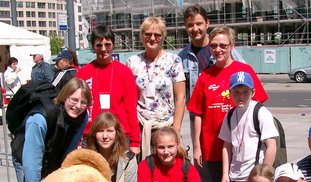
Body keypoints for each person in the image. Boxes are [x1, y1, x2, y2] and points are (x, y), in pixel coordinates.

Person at [187, 26, 268, 182]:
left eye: (223, 45)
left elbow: (260, 109)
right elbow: (197, 114)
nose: (218, 49)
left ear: (232, 46)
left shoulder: (245, 71)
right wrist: (198, 146)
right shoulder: (206, 76)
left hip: (243, 153)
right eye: (214, 45)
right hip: (212, 150)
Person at [178, 4, 245, 137]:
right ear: (185, 26)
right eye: (190, 25)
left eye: (199, 23)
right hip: (199, 117)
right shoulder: (182, 57)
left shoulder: (226, 50)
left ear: (207, 23)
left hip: (228, 112)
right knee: (202, 155)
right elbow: (180, 94)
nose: (195, 28)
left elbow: (244, 77)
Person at [219, 71, 278, 182]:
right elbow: (227, 145)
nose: (241, 96)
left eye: (245, 92)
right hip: (236, 178)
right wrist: (225, 173)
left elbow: (271, 145)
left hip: (254, 178)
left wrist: (263, 174)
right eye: (236, 92)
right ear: (230, 92)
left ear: (253, 92)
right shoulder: (230, 115)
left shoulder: (260, 112)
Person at [126, 17, 186, 159]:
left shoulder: (173, 61)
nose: (152, 38)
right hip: (142, 127)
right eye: (147, 34)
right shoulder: (132, 62)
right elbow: (129, 98)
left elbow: (181, 98)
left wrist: (175, 130)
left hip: (166, 127)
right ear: (141, 36)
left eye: (157, 35)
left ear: (163, 37)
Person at [77, 25, 140, 155]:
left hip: (120, 137)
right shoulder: (83, 73)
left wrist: (135, 142)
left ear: (113, 45)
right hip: (91, 137)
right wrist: (77, 140)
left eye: (107, 44)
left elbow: (131, 108)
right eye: (99, 45)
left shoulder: (124, 72)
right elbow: (78, 110)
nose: (104, 49)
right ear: (93, 46)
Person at [86, 112, 137, 182]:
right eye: (100, 131)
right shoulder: (87, 159)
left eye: (109, 131)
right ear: (94, 134)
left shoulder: (128, 159)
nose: (105, 136)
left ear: (116, 133)